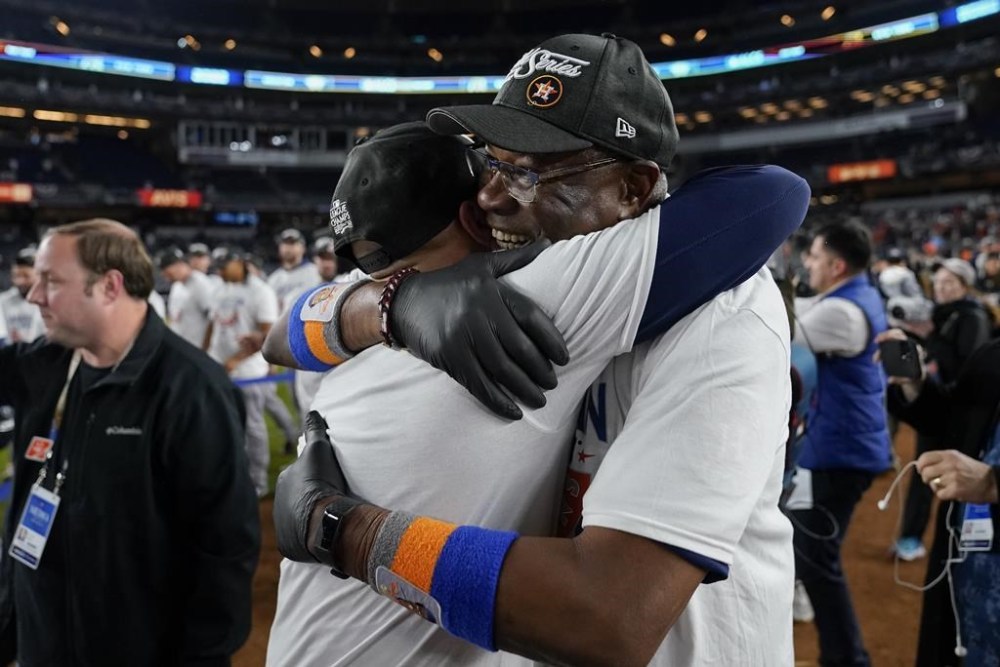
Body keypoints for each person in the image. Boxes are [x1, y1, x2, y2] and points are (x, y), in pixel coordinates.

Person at [267, 34, 807, 666]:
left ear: (634, 188)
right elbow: (295, 326)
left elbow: (611, 617)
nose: (491, 197)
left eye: (527, 171)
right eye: (490, 163)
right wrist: (391, 305)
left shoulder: (718, 311)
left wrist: (344, 530)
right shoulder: (503, 288)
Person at [0, 219, 259, 664]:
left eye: (52, 280)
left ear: (109, 286)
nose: (33, 295)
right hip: (42, 646)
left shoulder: (192, 390)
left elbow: (223, 553)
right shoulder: (48, 363)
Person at [791, 221, 891, 667]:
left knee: (817, 558)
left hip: (842, 450)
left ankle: (847, 658)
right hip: (845, 444)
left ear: (837, 265)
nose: (807, 264)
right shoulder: (857, 296)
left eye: (813, 256)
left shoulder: (840, 313)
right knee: (812, 553)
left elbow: (783, 329)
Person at [883, 329, 1000, 666]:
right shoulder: (992, 355)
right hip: (967, 569)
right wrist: (915, 384)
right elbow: (952, 419)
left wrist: (994, 483)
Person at [894, 257, 994, 561]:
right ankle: (910, 537)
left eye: (949, 283)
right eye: (938, 283)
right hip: (941, 404)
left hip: (961, 411)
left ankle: (932, 539)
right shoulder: (946, 315)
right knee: (926, 473)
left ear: (964, 286)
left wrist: (933, 360)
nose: (941, 288)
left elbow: (965, 367)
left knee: (956, 482)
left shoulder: (972, 318)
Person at [204, 247, 280, 497]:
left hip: (248, 371)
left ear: (239, 262)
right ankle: (229, 473)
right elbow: (212, 326)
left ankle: (257, 482)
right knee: (221, 425)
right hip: (219, 367)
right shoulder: (220, 288)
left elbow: (268, 333)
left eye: (224, 265)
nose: (220, 270)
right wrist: (205, 357)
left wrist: (237, 359)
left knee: (252, 426)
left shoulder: (260, 291)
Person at [156, 245, 217, 348]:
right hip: (181, 347)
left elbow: (213, 318)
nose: (164, 275)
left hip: (197, 348)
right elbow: (174, 317)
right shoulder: (177, 286)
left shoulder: (200, 283)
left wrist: (206, 347)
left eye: (166, 270)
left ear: (179, 265)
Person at [268, 228, 321, 313]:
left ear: (303, 248)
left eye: (292, 243)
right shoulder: (273, 278)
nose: (288, 247)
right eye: (285, 243)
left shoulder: (314, 271)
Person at [0, 247, 45, 344]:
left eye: (26, 276)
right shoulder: (3, 300)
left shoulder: (49, 300)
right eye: (16, 276)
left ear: (38, 275)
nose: (20, 281)